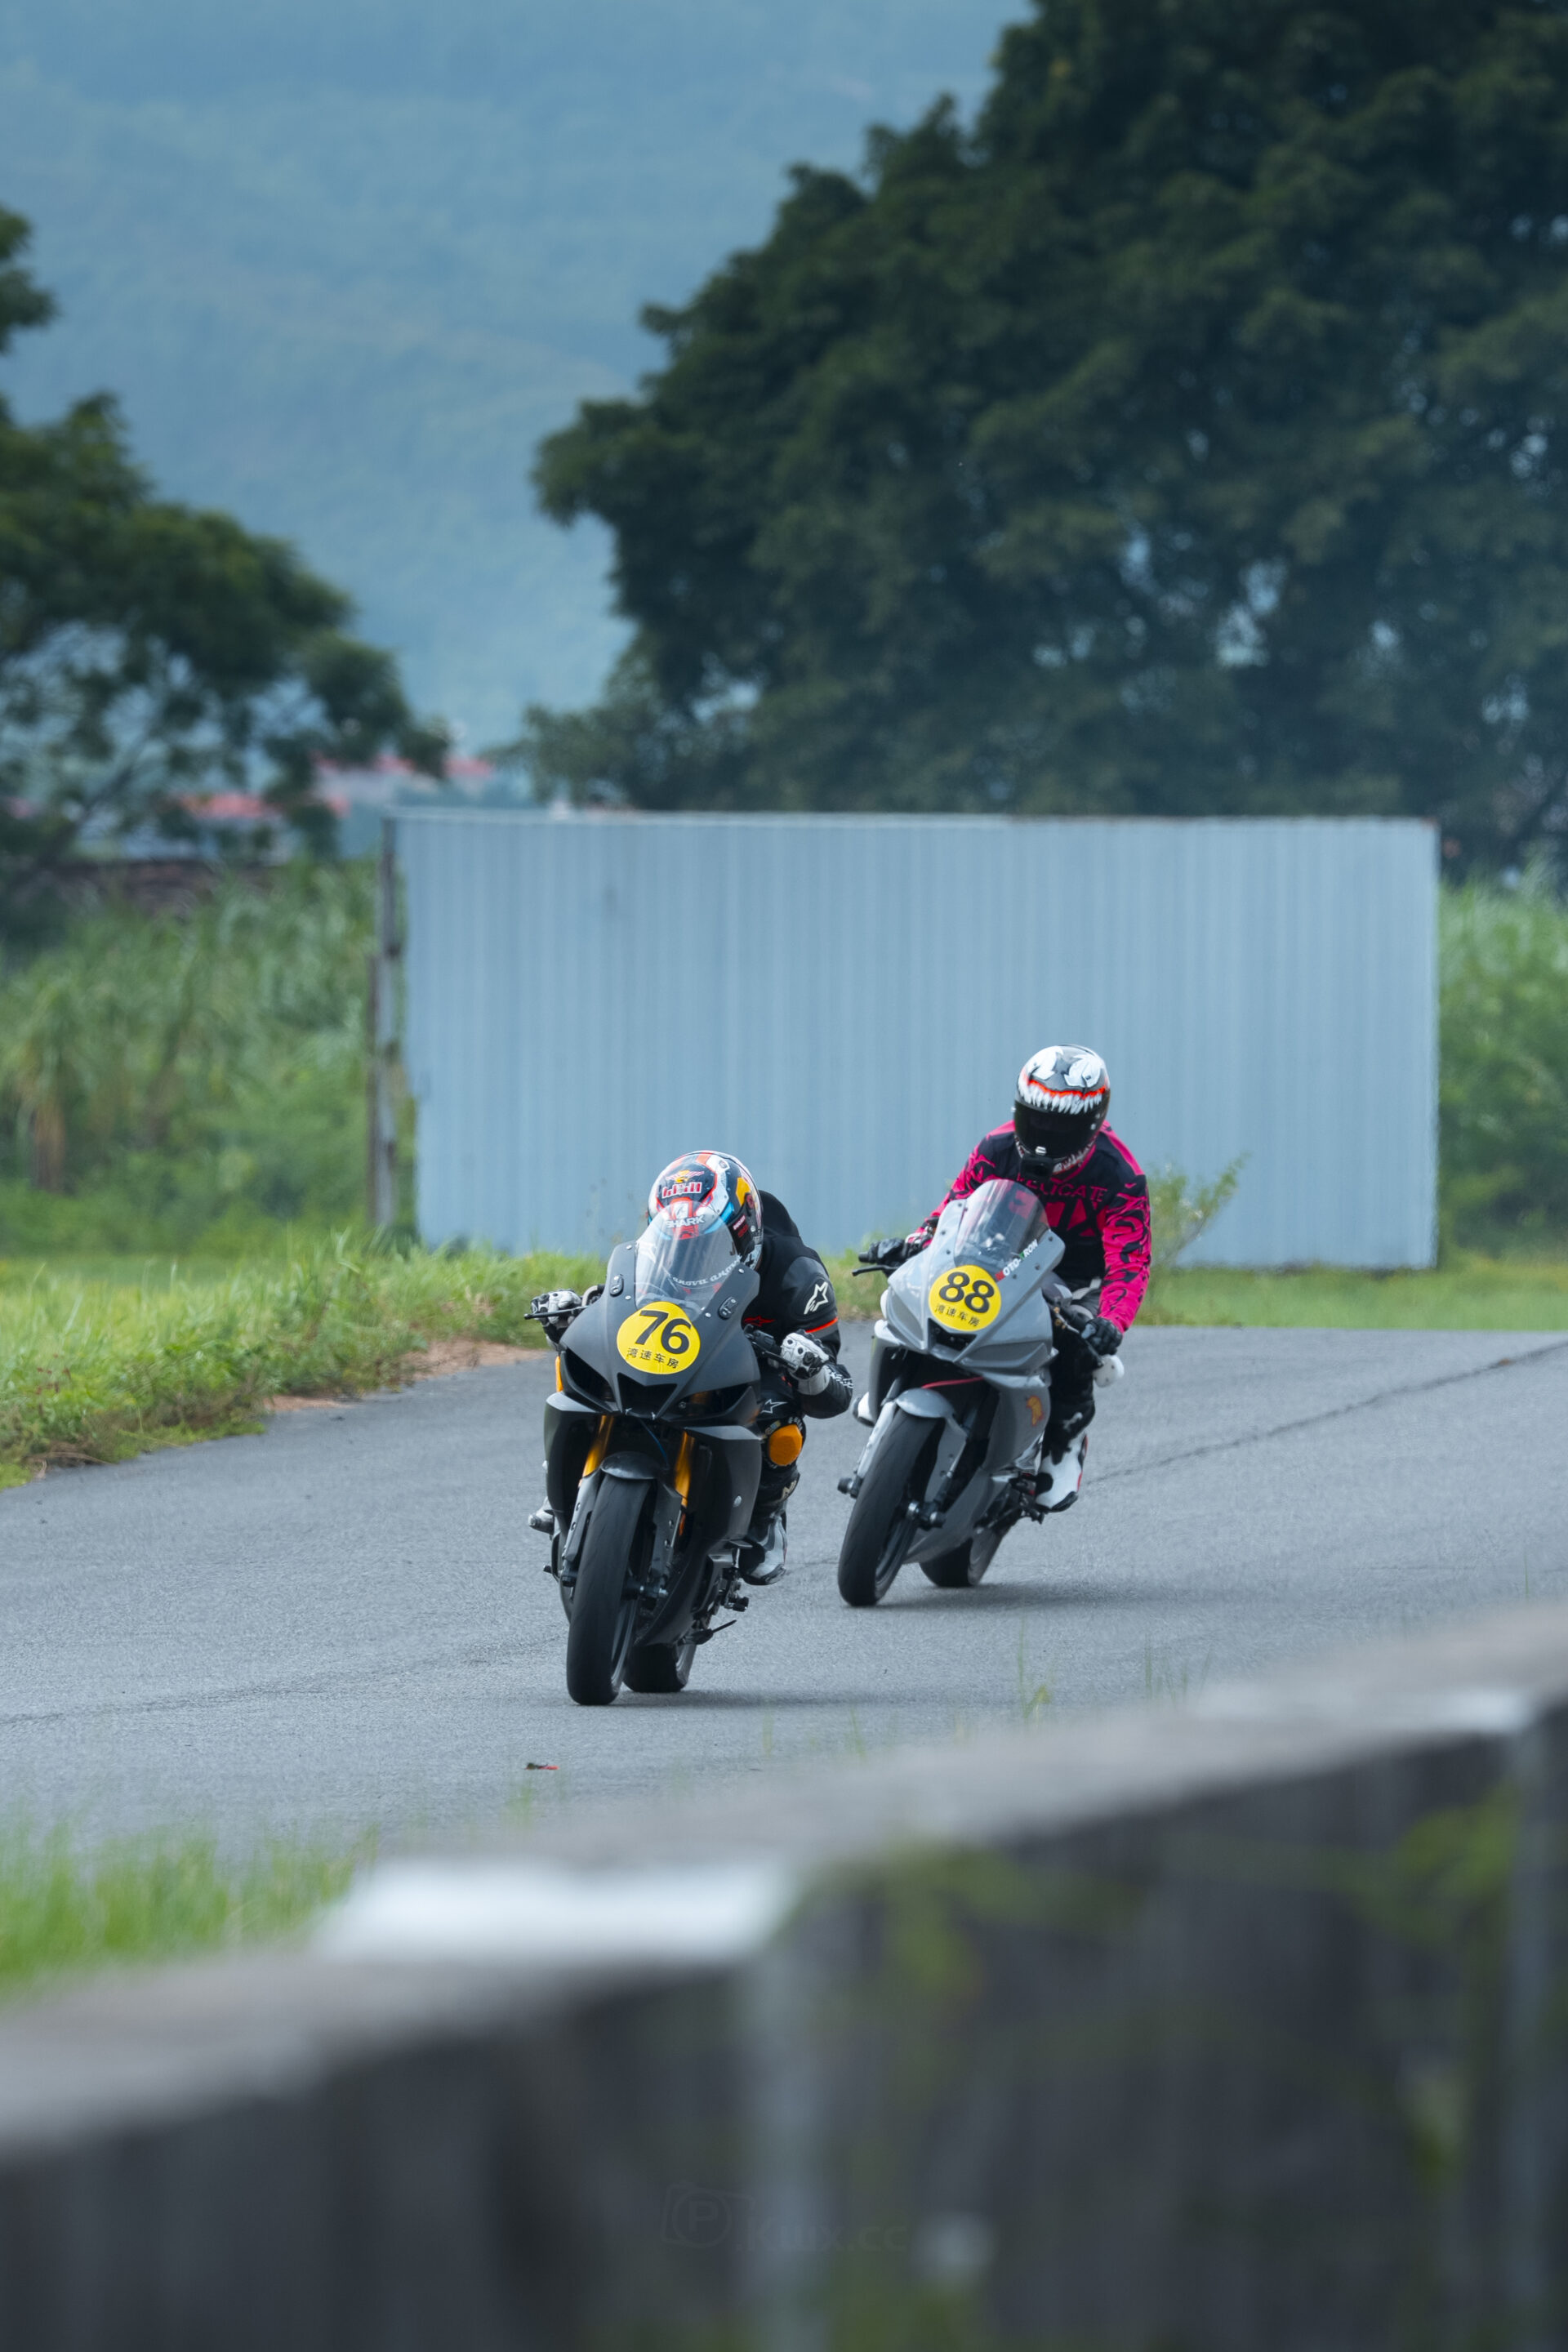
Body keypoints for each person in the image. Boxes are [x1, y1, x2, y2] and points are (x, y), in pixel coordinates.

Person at [532, 1152, 851, 1584]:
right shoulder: (660, 1249)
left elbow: (835, 1381)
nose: (691, 1252)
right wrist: (576, 1316)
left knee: (781, 1422)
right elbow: (619, 1298)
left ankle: (764, 1516)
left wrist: (810, 1365)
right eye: (675, 1238)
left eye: (708, 1243)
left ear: (743, 1233)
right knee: (577, 1363)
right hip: (678, 1343)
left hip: (753, 1360)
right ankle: (564, 1478)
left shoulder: (798, 1271)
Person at [867, 1047, 1149, 1512]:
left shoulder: (1119, 1175)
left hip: (1077, 1278)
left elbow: (1130, 1262)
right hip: (995, 1256)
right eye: (1036, 1119)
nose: (1046, 1135)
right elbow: (953, 1209)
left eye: (1061, 1126)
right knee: (919, 1289)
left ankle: (1065, 1436)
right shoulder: (996, 1147)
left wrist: (1111, 1322)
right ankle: (900, 1383)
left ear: (1093, 1124)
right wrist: (915, 1242)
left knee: (1079, 1344)